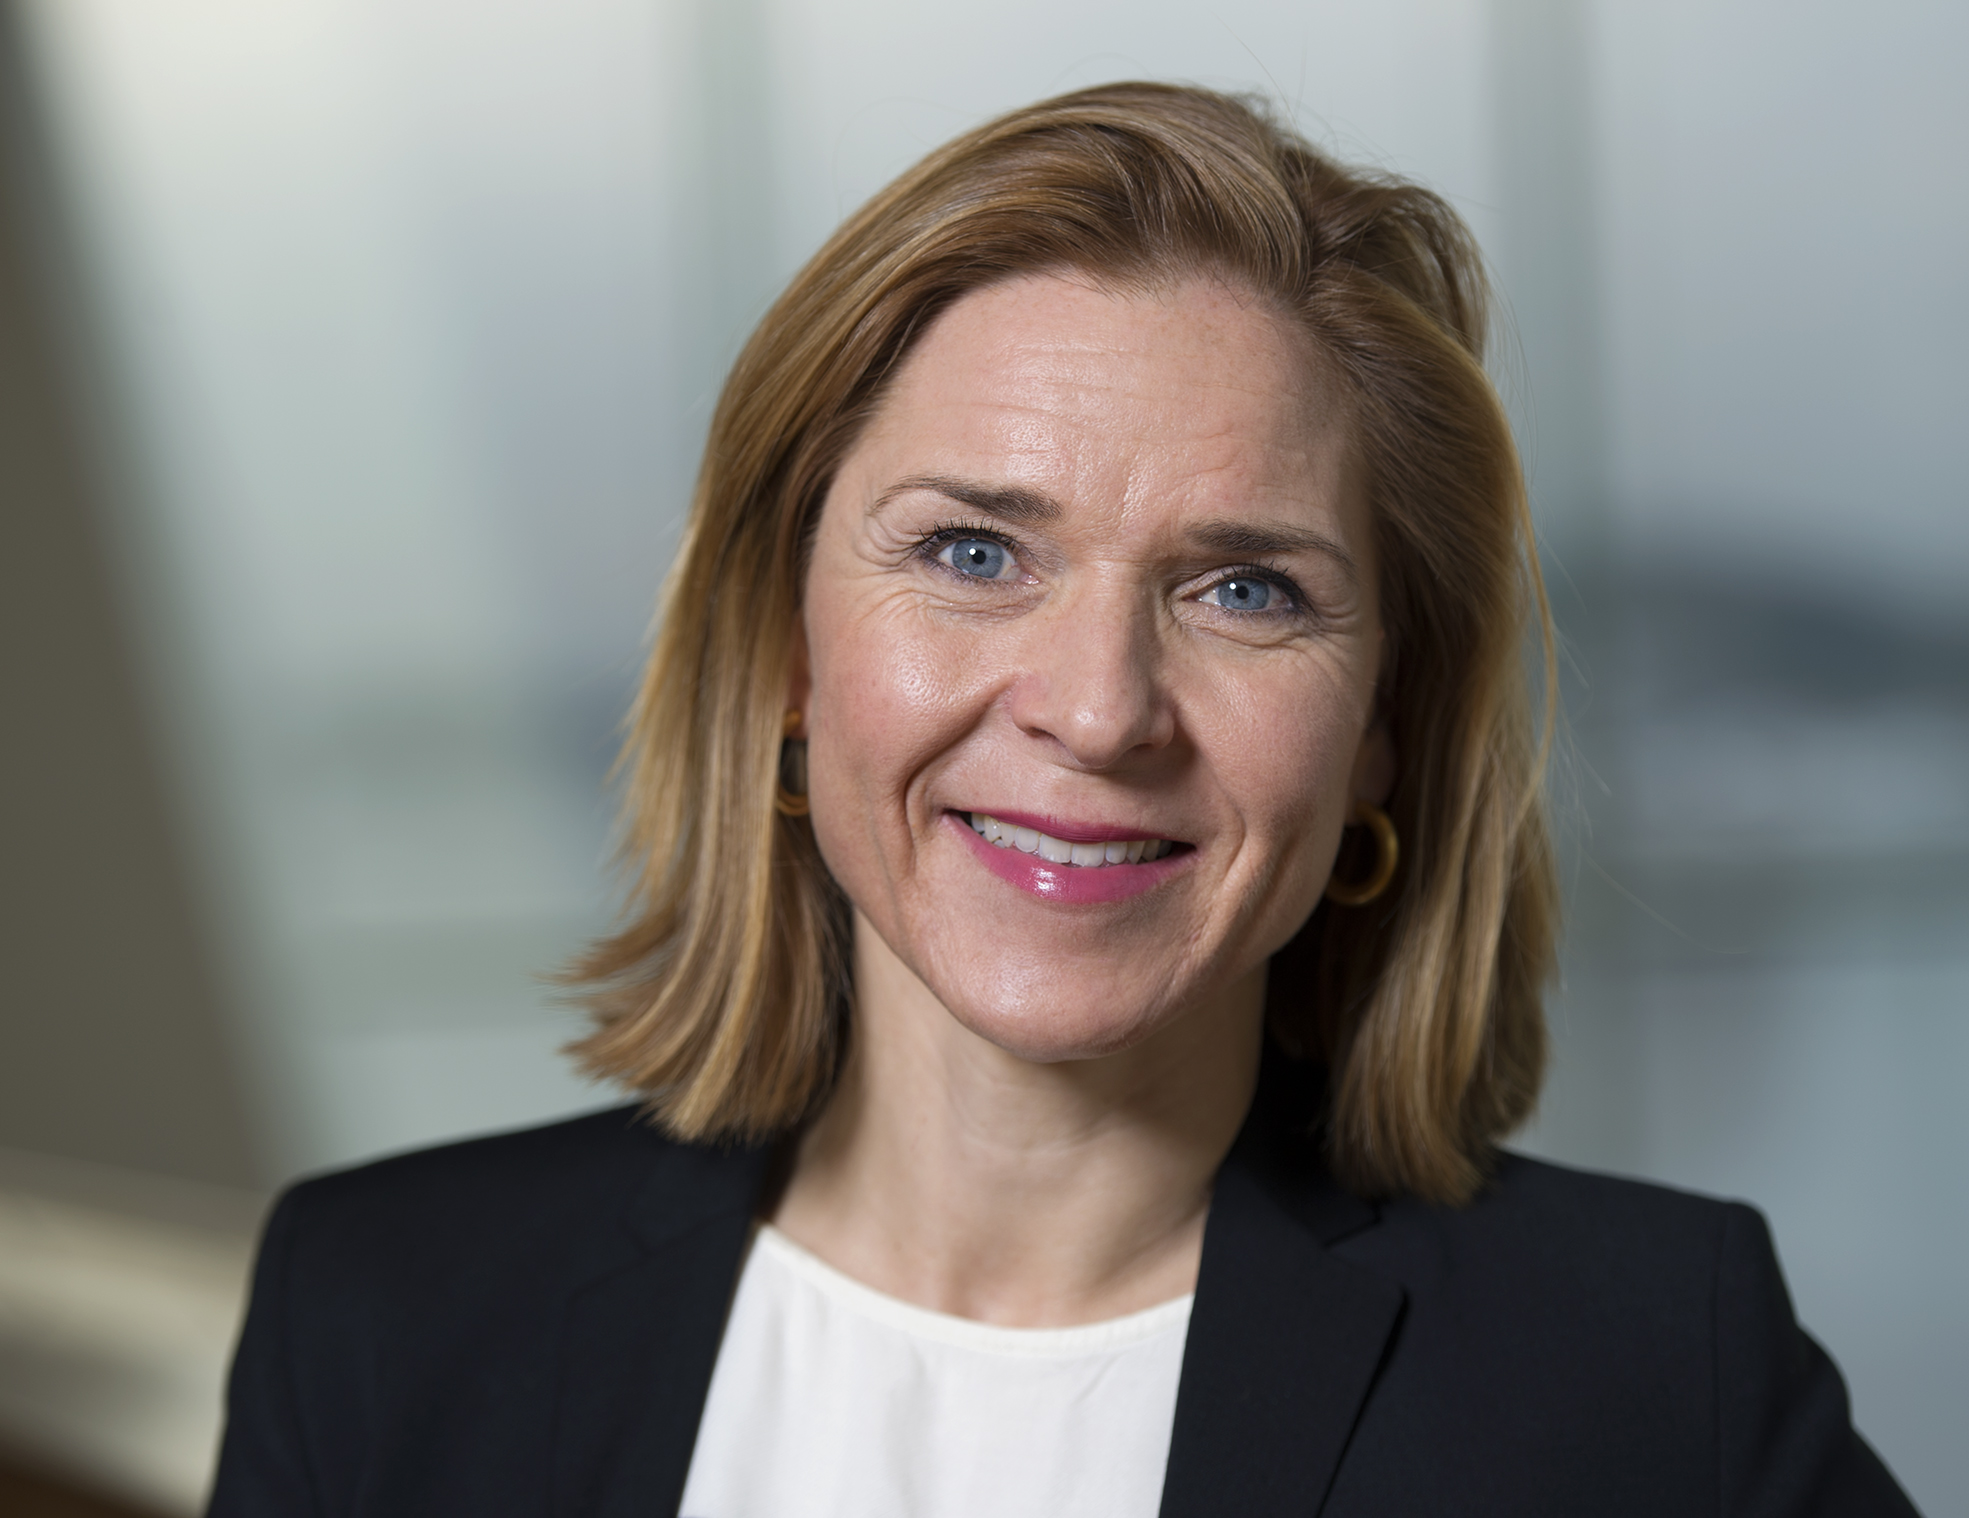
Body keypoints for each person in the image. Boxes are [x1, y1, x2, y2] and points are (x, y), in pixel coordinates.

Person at [207, 82, 1915, 1517]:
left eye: (1244, 589)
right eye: (972, 552)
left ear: (1381, 730)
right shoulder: (382, 1312)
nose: (1097, 711)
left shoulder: (1649, 1376)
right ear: (785, 652)